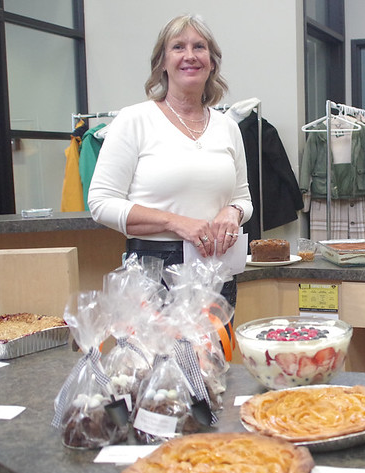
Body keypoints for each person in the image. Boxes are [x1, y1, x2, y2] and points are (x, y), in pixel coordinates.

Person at [88, 14, 252, 308]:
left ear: (212, 62)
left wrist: (234, 211)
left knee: (215, 341)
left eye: (199, 47)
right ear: (162, 62)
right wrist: (176, 222)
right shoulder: (134, 120)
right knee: (156, 342)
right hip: (152, 271)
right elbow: (100, 203)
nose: (190, 55)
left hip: (217, 269)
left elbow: (243, 198)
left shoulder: (227, 127)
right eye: (178, 47)